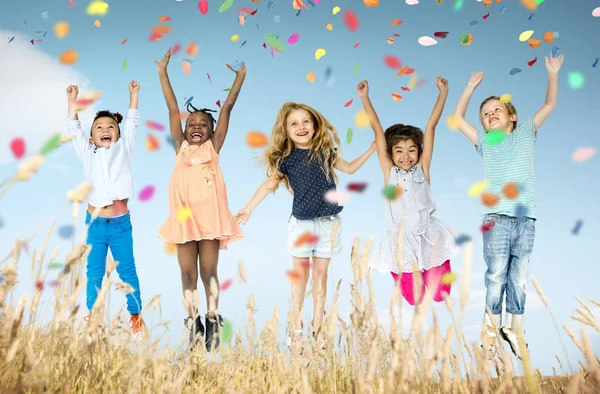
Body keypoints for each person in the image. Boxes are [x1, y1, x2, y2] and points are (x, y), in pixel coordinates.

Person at [235, 101, 376, 347]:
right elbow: (269, 185)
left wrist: (372, 149)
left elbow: (351, 168)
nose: (301, 127)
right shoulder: (286, 159)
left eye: (305, 122)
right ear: (286, 131)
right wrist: (248, 209)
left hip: (328, 225)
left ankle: (318, 328)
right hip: (301, 225)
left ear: (314, 125)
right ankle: (297, 328)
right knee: (300, 277)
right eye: (294, 124)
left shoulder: (326, 152)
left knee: (321, 278)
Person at [452, 52, 564, 359]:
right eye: (485, 113)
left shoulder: (527, 130)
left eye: (496, 109)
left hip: (526, 218)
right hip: (496, 218)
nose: (490, 114)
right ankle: (491, 326)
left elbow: (550, 104)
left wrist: (552, 73)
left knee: (520, 276)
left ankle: (515, 327)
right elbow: (459, 118)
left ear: (512, 116)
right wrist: (469, 88)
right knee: (496, 273)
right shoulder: (486, 141)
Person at [155, 48, 245, 351]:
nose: (196, 126)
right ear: (184, 129)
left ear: (211, 131)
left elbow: (227, 110)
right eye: (191, 123)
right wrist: (162, 72)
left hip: (210, 222)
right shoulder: (180, 146)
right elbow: (171, 109)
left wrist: (240, 77)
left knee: (209, 271)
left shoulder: (214, 148)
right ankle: (192, 321)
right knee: (186, 272)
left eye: (202, 124)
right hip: (183, 220)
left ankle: (213, 317)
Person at [358, 78, 458, 307]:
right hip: (401, 240)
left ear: (419, 152)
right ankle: (403, 273)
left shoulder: (422, 170)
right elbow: (377, 129)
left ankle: (435, 267)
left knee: (439, 295)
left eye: (412, 150)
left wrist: (443, 93)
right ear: (391, 155)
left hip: (428, 236)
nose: (406, 156)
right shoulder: (389, 172)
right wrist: (365, 98)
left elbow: (431, 126)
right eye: (399, 151)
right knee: (415, 298)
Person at [66, 81, 145, 337]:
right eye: (99, 127)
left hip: (121, 225)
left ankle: (135, 315)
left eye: (111, 126)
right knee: (95, 271)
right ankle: (93, 315)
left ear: (119, 135)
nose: (106, 129)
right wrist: (73, 101)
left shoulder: (124, 148)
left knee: (127, 270)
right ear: (92, 137)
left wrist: (133, 95)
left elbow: (131, 121)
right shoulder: (86, 151)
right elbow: (73, 127)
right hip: (95, 224)